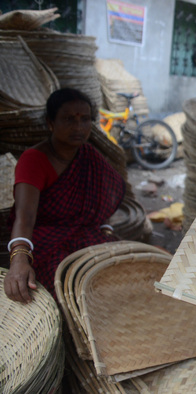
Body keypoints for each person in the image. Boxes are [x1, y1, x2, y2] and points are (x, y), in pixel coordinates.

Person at [4, 88, 126, 303]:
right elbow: (25, 217)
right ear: (51, 122)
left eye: (85, 119)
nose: (78, 127)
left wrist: (106, 234)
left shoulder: (89, 157)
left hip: (85, 237)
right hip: (46, 244)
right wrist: (19, 260)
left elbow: (100, 204)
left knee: (122, 276)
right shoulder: (34, 159)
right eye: (69, 119)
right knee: (68, 286)